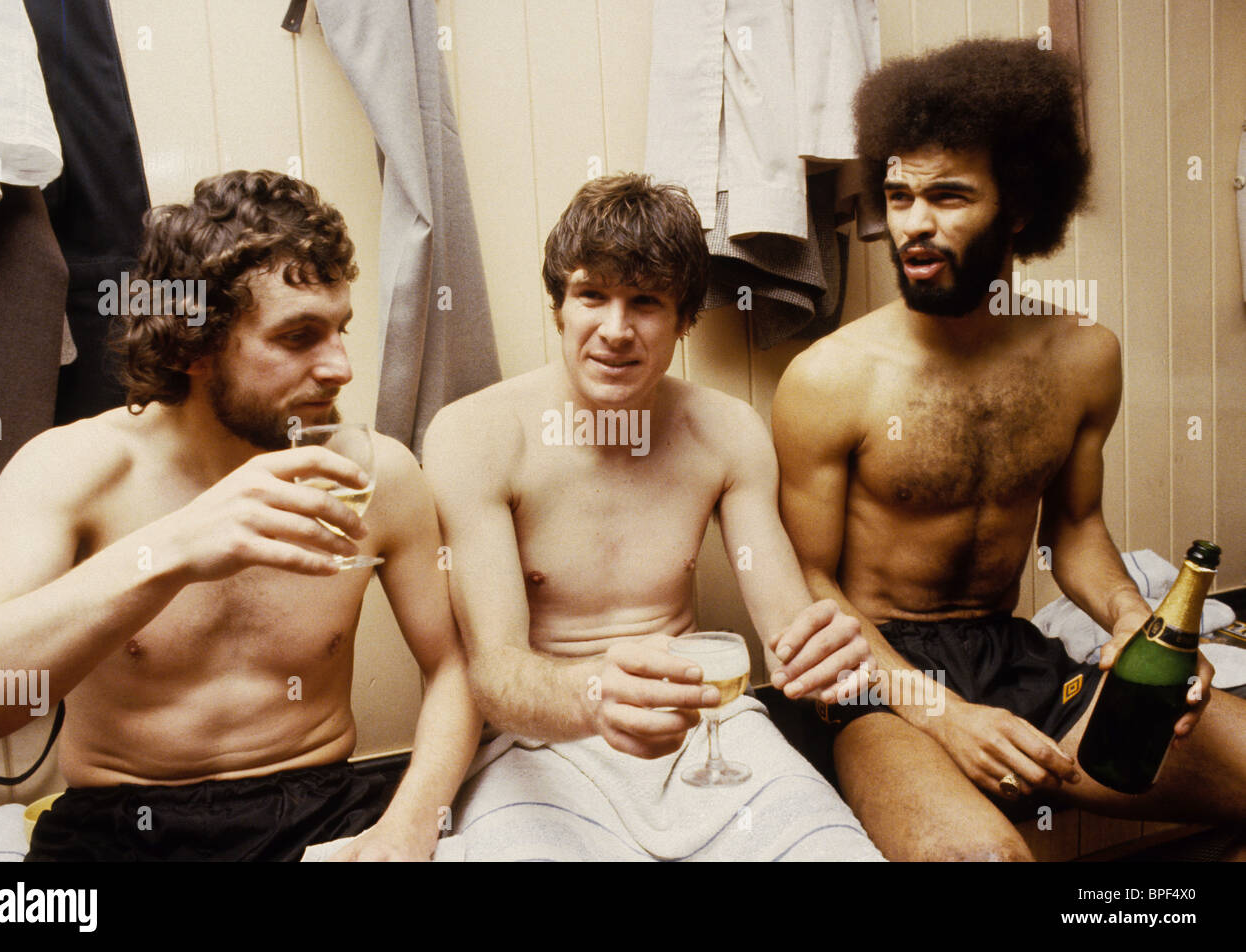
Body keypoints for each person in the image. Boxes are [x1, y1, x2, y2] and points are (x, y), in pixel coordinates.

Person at [772, 38, 1246, 860]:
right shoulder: (829, 379)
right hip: (873, 680)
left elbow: (1078, 531)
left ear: (1019, 207)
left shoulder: (1084, 355)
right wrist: (941, 714)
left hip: (1014, 652)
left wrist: (1134, 620)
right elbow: (810, 588)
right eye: (900, 196)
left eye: (949, 197)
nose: (915, 225)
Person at [0, 170, 480, 861]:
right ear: (191, 345)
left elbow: (455, 667)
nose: (341, 367)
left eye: (340, 330)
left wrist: (410, 827)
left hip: (318, 812)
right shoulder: (72, 471)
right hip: (119, 827)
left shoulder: (376, 474)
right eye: (298, 337)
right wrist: (168, 552)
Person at [421, 173, 882, 862]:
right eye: (591, 295)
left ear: (686, 319)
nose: (614, 330)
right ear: (559, 306)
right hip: (540, 746)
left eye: (645, 302)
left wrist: (819, 656)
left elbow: (788, 627)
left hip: (707, 727)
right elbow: (493, 672)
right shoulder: (475, 436)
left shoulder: (727, 432)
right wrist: (593, 695)